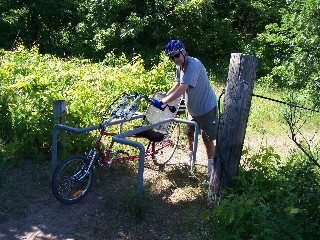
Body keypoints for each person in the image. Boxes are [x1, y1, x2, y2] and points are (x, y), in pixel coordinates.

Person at [150, 40, 218, 177]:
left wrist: (162, 102)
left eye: (176, 56)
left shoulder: (193, 65)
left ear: (184, 52)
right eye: (171, 58)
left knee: (208, 140)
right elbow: (177, 83)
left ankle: (211, 171)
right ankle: (190, 161)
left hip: (206, 107)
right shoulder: (180, 66)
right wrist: (164, 96)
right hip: (192, 109)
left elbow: (182, 89)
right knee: (190, 135)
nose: (175, 59)